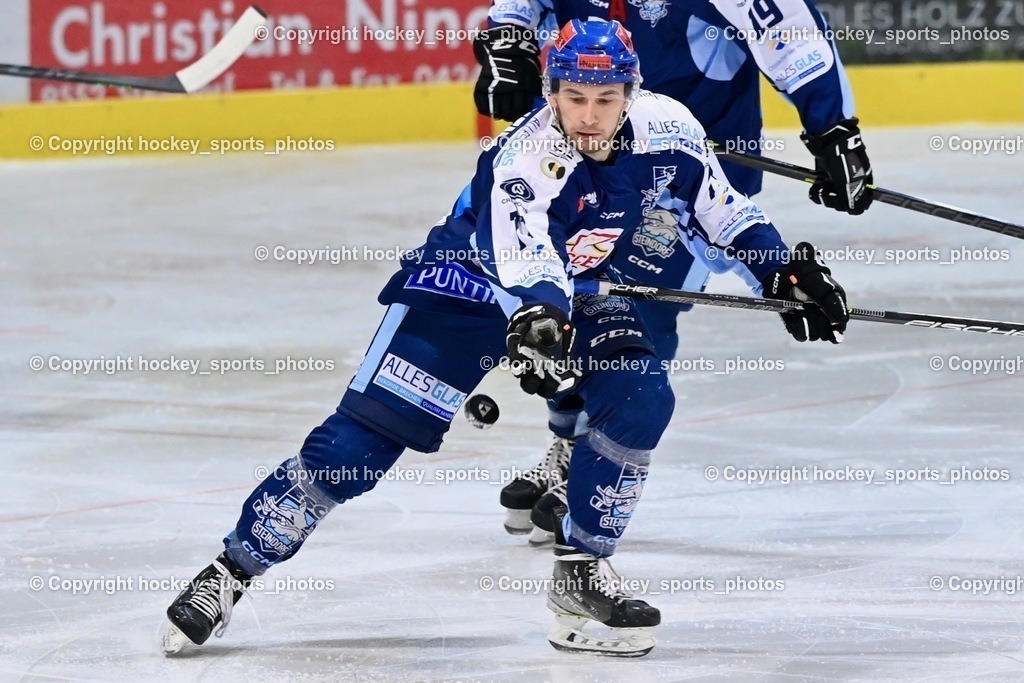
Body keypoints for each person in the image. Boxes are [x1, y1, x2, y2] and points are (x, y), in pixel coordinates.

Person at [162, 19, 848, 657]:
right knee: (355, 449)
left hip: (569, 295)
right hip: (465, 286)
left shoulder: (671, 129)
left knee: (641, 397)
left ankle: (580, 576)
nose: (587, 115)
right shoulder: (528, 153)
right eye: (573, 96)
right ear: (552, 91)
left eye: (605, 99)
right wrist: (543, 313)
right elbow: (526, 256)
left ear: (631, 94)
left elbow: (725, 215)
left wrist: (782, 273)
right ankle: (232, 568)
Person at [473, 0, 872, 540]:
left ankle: (595, 455)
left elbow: (786, 28)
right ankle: (569, 442)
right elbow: (521, 9)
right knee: (567, 294)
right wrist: (509, 42)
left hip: (687, 164)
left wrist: (831, 128)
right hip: (580, 161)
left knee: (642, 307)